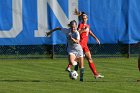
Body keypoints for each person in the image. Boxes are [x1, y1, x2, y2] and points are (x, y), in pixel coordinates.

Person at [74, 9, 104, 79]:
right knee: (78, 60)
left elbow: (90, 32)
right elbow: (77, 33)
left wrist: (96, 38)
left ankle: (95, 74)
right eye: (83, 18)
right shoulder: (80, 25)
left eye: (85, 18)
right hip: (80, 45)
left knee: (89, 58)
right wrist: (83, 30)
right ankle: (73, 71)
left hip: (85, 45)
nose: (84, 19)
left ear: (87, 18)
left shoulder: (87, 25)